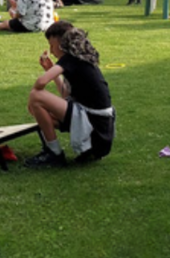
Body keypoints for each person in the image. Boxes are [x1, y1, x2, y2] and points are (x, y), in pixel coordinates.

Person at [24, 21, 115, 168]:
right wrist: (52, 71)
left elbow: (40, 83)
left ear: (62, 44)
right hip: (98, 127)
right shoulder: (78, 59)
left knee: (36, 96)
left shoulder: (70, 59)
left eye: (52, 45)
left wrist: (32, 100)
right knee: (41, 113)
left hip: (95, 126)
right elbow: (65, 95)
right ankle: (55, 151)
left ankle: (54, 154)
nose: (51, 51)